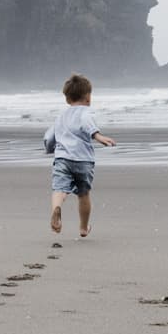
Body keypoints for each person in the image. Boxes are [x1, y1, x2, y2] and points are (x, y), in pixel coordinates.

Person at [44, 73, 115, 237]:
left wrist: (49, 149)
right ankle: (83, 228)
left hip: (62, 159)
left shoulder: (61, 116)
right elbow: (87, 124)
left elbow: (49, 137)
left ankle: (57, 208)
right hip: (83, 160)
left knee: (59, 189)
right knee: (83, 194)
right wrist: (98, 136)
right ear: (88, 98)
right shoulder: (86, 113)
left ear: (67, 99)